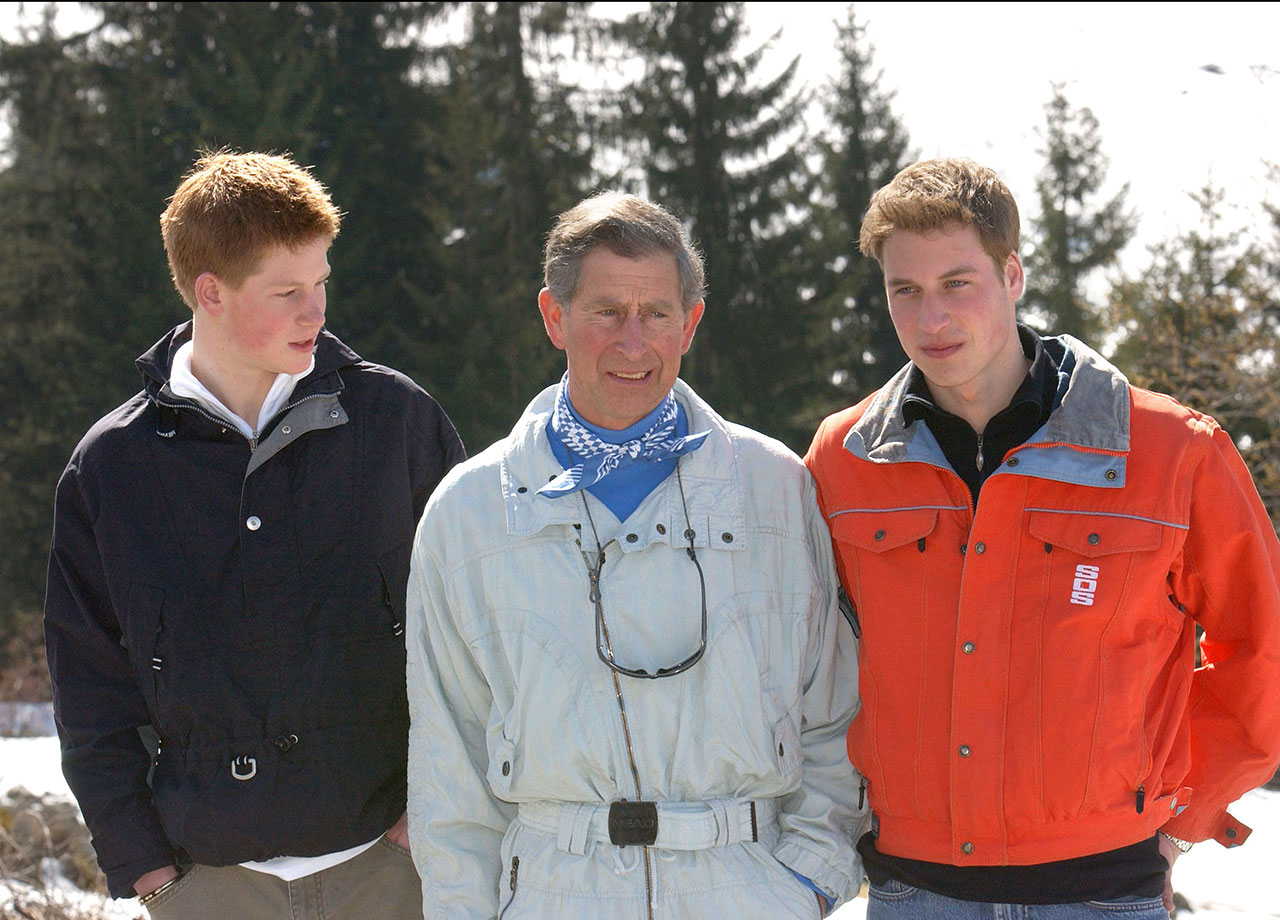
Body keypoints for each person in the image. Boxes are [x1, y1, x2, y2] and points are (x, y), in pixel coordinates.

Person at [805, 157, 1280, 919]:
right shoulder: (844, 461)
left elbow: (1264, 647)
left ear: (1013, 273)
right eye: (906, 291)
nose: (932, 320)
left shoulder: (1170, 451)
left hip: (1102, 894)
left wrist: (1183, 817)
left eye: (957, 283)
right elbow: (798, 661)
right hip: (914, 892)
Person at [405, 191, 864, 919]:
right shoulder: (469, 513)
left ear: (692, 322)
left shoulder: (775, 488)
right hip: (556, 894)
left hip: (748, 891)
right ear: (555, 318)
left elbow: (834, 715)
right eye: (605, 311)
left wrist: (805, 884)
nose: (633, 341)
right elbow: (448, 767)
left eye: (655, 313)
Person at [43, 150, 464, 918]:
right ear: (212, 292)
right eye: (288, 292)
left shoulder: (396, 424)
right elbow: (89, 693)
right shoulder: (110, 469)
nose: (317, 312)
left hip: (397, 872)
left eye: (321, 284)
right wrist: (151, 875)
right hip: (211, 888)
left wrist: (425, 822)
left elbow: (476, 640)